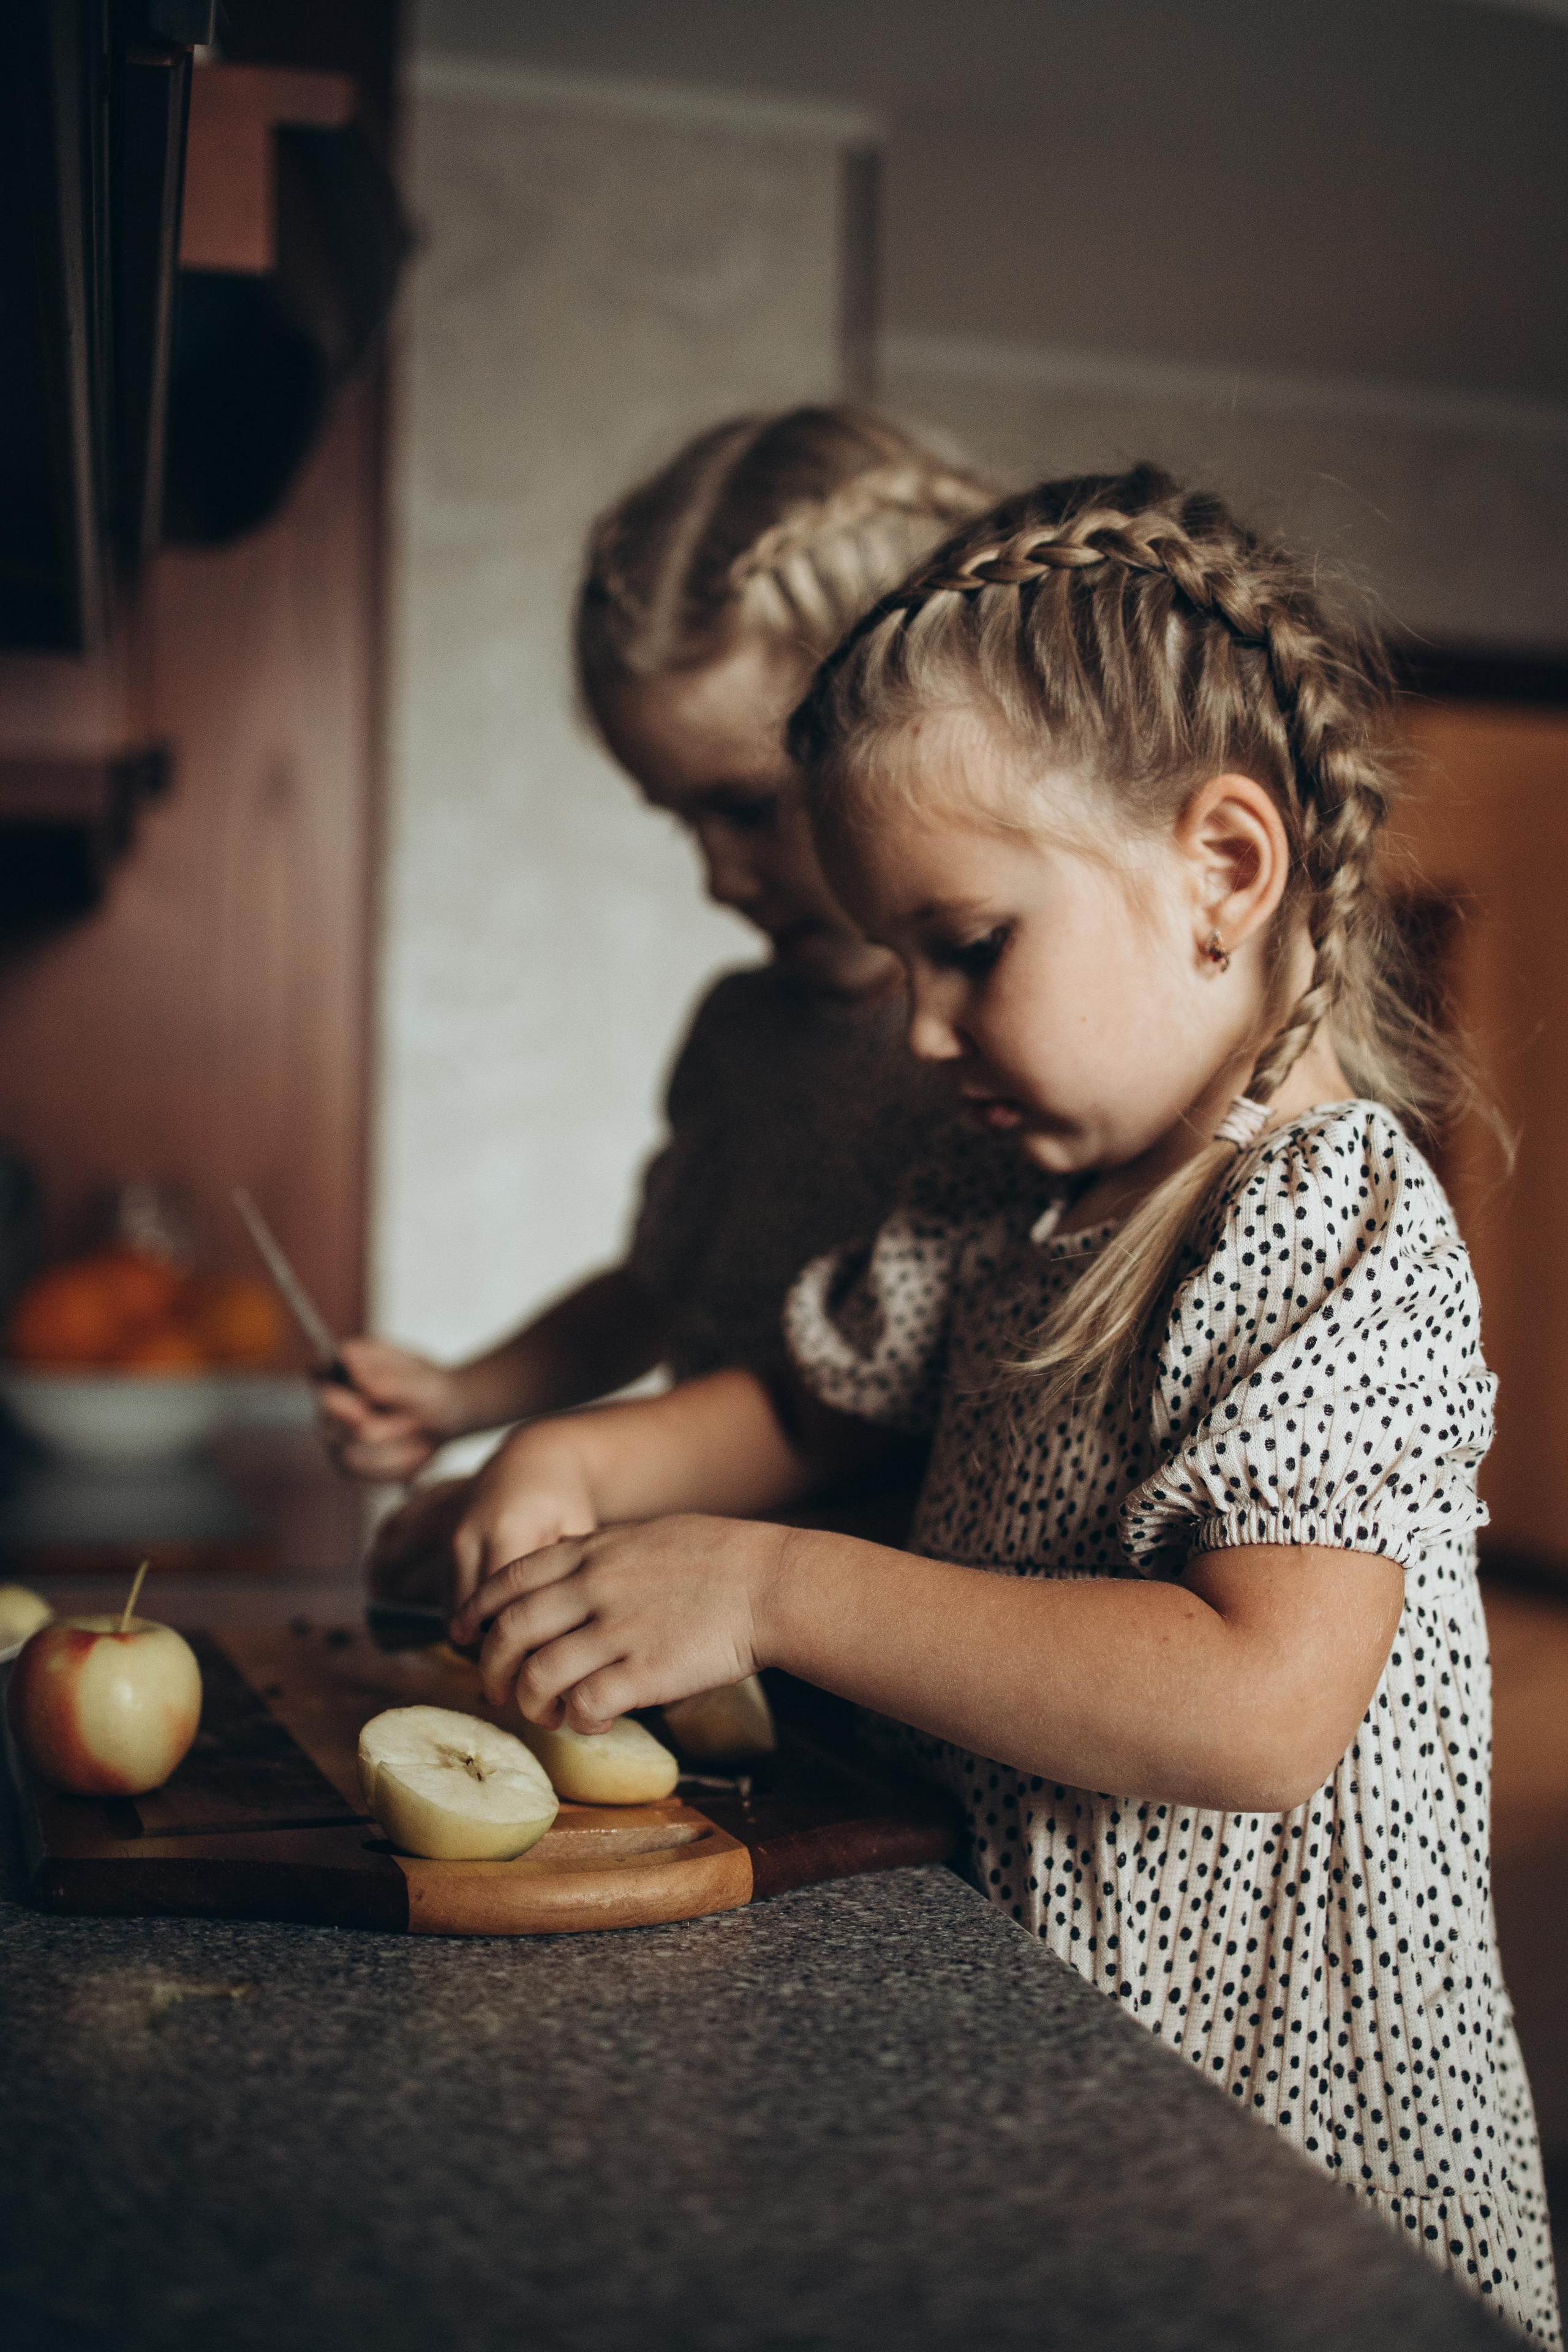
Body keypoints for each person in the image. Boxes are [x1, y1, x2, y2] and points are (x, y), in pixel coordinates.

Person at [440, 467, 1558, 2337]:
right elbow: (802, 1413)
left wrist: (769, 1588)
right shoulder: (994, 1197)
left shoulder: (1338, 1229)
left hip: (1285, 2164)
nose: (927, 1029)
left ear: (1222, 870)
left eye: (967, 948)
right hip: (1043, 2064)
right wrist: (578, 1459)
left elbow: (1257, 1706)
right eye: (901, 965)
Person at [317, 408, 992, 1581]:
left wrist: (568, 1477)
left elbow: (838, 1418)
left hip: (877, 1636)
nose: (718, 878)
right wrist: (461, 1395)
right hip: (706, 1620)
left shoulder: (995, 1056)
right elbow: (653, 1293)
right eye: (678, 817)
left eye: (747, 806)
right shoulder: (740, 1033)